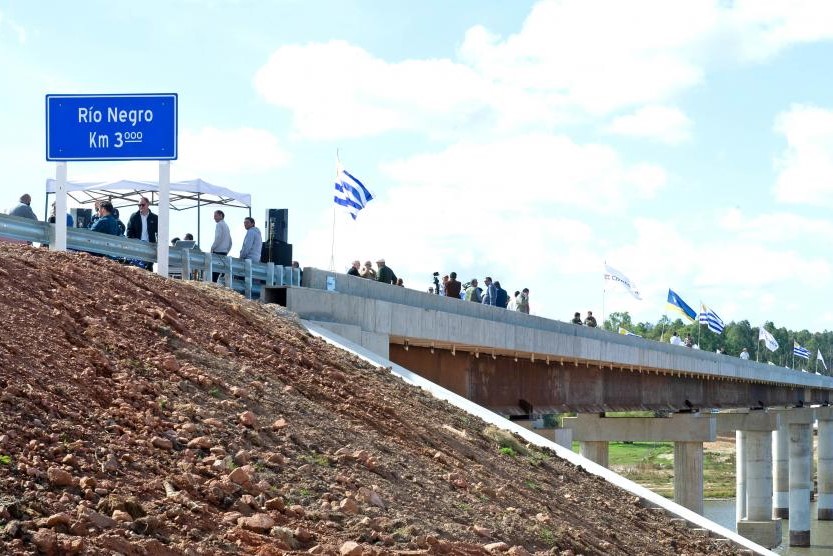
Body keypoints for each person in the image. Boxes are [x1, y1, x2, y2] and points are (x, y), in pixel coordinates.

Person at [127, 197, 159, 271]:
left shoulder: (155, 218)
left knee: (148, 267)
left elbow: (159, 232)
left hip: (150, 245)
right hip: (137, 245)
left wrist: (157, 244)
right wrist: (131, 242)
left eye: (143, 205)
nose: (141, 207)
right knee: (136, 268)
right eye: (139, 205)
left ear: (148, 204)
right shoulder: (134, 216)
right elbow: (129, 230)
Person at [210, 210, 232, 282]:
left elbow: (218, 237)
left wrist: (212, 247)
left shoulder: (219, 224)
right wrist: (226, 250)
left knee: (213, 275)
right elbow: (230, 242)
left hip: (218, 252)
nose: (214, 218)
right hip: (224, 252)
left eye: (215, 216)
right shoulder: (226, 226)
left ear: (221, 216)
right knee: (218, 273)